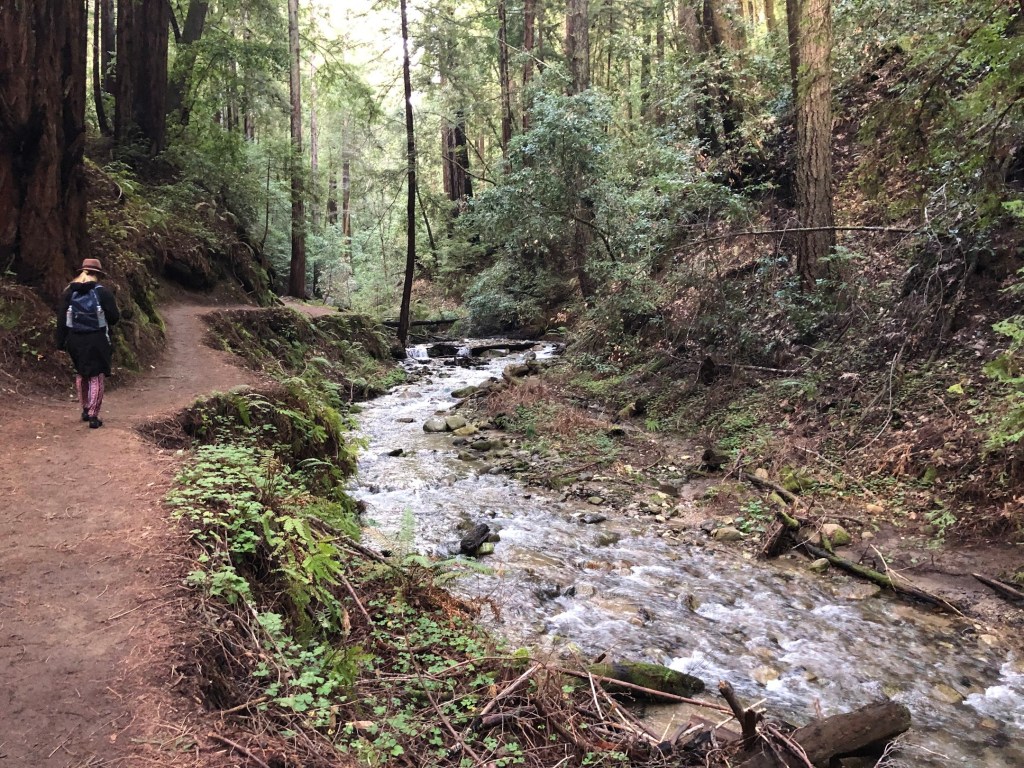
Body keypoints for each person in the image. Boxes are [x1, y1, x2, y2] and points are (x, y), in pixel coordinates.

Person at [56, 258, 121, 428]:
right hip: (97, 339)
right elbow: (114, 318)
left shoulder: (70, 292)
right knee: (96, 376)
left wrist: (60, 342)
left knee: (81, 373)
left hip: (74, 339)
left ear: (81, 271)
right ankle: (93, 416)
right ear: (98, 274)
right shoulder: (102, 293)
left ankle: (85, 410)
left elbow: (62, 319)